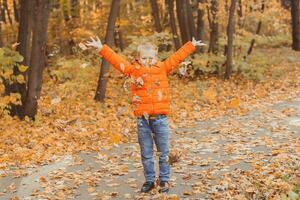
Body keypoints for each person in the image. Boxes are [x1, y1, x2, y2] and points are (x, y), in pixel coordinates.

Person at [86, 36, 205, 193]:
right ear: (138, 58)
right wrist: (101, 48)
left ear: (156, 57)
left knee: (163, 152)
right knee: (146, 153)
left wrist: (191, 45)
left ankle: (164, 180)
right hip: (143, 121)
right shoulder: (133, 71)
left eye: (151, 58)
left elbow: (177, 58)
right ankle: (149, 180)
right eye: (144, 58)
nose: (147, 60)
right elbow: (116, 61)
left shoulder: (162, 68)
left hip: (160, 119)